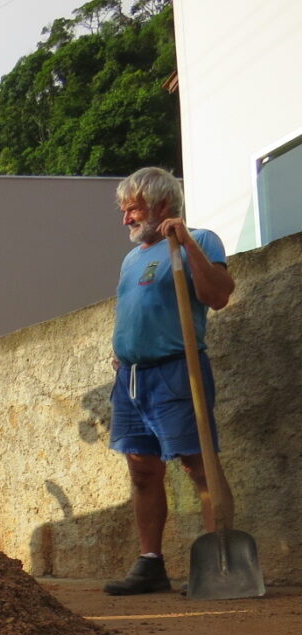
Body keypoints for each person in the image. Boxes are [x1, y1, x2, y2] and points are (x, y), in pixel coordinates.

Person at [104, 167, 235, 596]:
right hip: (131, 378)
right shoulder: (131, 258)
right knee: (142, 471)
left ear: (162, 205)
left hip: (177, 370)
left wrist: (186, 243)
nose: (126, 219)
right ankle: (150, 564)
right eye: (124, 211)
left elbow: (217, 295)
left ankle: (221, 563)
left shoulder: (200, 239)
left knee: (200, 466)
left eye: (133, 209)